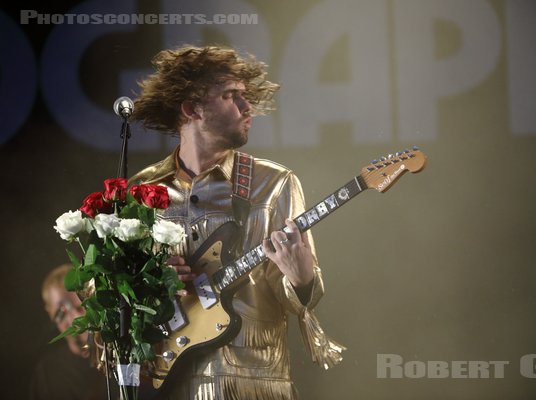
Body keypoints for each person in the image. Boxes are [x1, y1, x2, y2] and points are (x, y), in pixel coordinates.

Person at [128, 45, 344, 399]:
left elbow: (301, 300)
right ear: (191, 108)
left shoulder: (274, 184)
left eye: (246, 97)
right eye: (231, 96)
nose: (248, 108)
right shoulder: (141, 190)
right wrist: (147, 279)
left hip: (254, 383)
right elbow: (102, 292)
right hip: (170, 383)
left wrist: (302, 277)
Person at [29, 264, 115, 400]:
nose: (75, 316)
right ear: (50, 313)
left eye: (80, 305)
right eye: (62, 312)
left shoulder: (121, 355)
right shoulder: (47, 373)